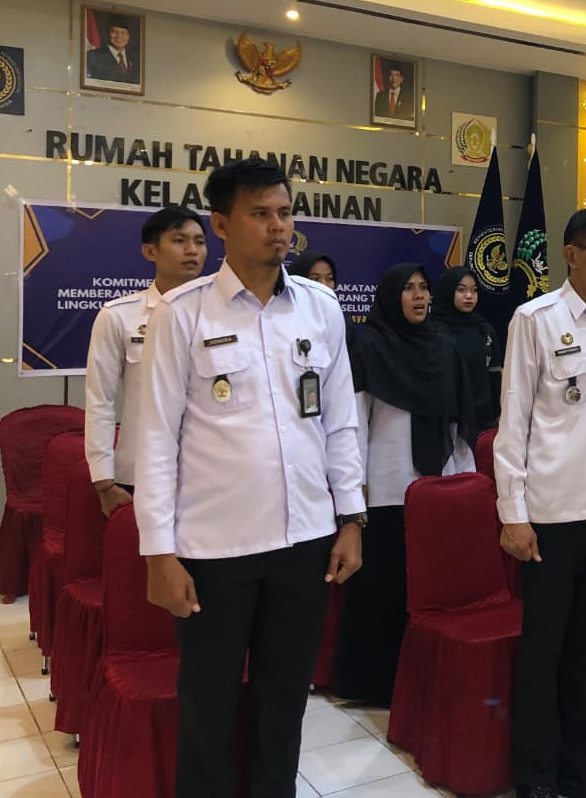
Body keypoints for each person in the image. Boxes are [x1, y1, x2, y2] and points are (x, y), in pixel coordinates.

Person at [134, 158, 366, 798]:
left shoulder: (320, 307)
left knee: (283, 702)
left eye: (285, 213)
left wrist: (351, 518)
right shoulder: (183, 314)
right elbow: (155, 439)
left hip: (305, 541)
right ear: (221, 224)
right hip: (215, 547)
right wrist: (158, 553)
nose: (277, 227)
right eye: (260, 214)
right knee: (207, 705)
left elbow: (341, 421)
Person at [495, 208, 586, 798]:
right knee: (546, 649)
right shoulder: (536, 319)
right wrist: (513, 514)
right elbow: (514, 422)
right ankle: (535, 776)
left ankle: (579, 765)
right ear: (572, 254)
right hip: (553, 512)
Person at [332, 262, 478, 706]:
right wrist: (354, 489)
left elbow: (457, 420)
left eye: (424, 288)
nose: (419, 296)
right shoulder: (369, 345)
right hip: (385, 485)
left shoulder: (443, 347)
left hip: (436, 486)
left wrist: (463, 479)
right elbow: (355, 422)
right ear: (391, 295)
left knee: (430, 587)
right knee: (384, 588)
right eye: (408, 288)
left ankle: (426, 676)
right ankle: (376, 683)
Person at [85, 206, 206, 516]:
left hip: (211, 473)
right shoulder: (119, 316)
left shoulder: (224, 316)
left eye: (199, 241)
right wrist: (104, 481)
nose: (192, 250)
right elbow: (100, 400)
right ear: (150, 251)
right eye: (179, 240)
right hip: (142, 472)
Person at [432, 265, 503, 431]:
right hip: (445, 421)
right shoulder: (433, 331)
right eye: (461, 290)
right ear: (448, 291)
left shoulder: (484, 329)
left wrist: (499, 413)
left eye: (474, 290)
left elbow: (494, 376)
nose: (469, 296)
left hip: (482, 419)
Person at [289, 250, 358, 340]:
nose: (324, 285)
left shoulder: (343, 321)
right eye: (315, 279)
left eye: (330, 278)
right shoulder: (284, 317)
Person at [86, 17, 140, 84]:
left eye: (123, 33)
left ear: (128, 36)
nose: (119, 36)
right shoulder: (92, 57)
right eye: (114, 32)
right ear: (107, 33)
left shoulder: (136, 59)